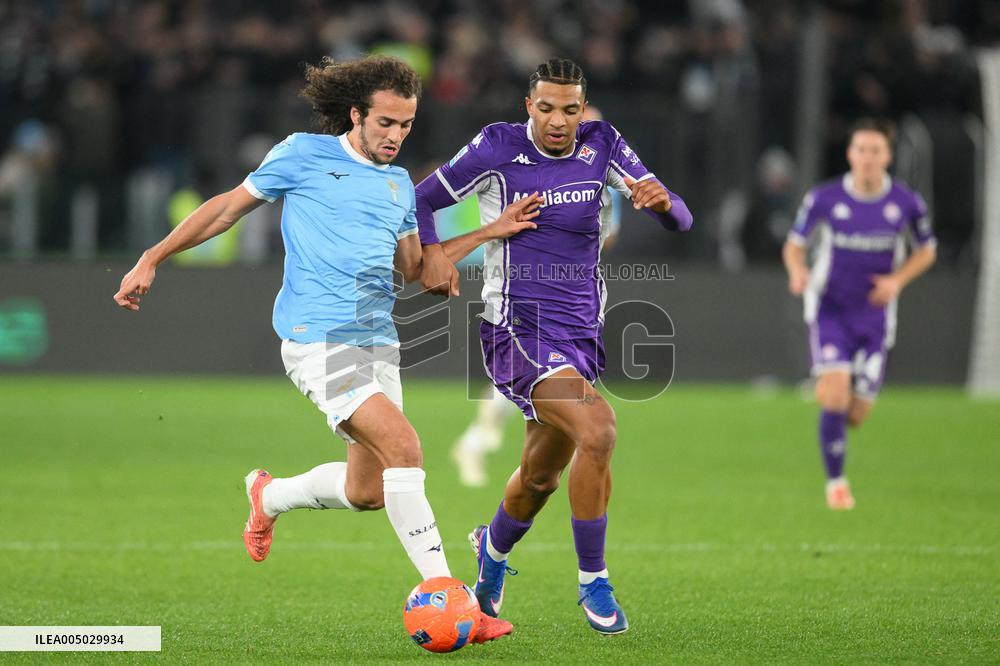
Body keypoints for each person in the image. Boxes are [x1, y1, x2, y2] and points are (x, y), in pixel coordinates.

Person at [112, 55, 539, 644]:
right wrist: (151, 258)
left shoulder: (397, 187)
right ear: (357, 114)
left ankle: (270, 495)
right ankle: (454, 598)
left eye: (406, 125)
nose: (395, 135)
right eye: (386, 122)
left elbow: (414, 269)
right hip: (317, 339)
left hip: (378, 343)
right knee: (405, 446)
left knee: (368, 491)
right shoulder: (303, 154)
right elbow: (226, 209)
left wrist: (489, 232)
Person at [415, 59, 692, 635]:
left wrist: (663, 203)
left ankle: (489, 559)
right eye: (547, 108)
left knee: (540, 478)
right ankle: (594, 579)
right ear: (528, 106)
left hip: (582, 331)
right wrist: (436, 253)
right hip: (517, 326)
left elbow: (681, 219)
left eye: (570, 109)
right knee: (601, 429)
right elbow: (419, 200)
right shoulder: (497, 148)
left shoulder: (602, 143)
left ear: (582, 107)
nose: (559, 121)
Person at [449, 104, 622, 489]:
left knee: (540, 448)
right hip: (527, 294)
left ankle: (478, 447)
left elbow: (607, 237)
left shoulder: (607, 178)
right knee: (540, 378)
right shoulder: (524, 163)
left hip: (571, 302)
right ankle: (476, 444)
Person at [782, 118, 936, 510]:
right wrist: (799, 272)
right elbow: (795, 245)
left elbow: (927, 250)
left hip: (876, 316)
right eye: (861, 150)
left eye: (875, 151)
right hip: (830, 308)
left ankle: (834, 396)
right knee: (835, 395)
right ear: (850, 153)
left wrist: (897, 281)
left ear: (888, 155)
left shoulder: (905, 203)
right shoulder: (825, 199)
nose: (867, 158)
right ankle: (836, 483)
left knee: (854, 414)